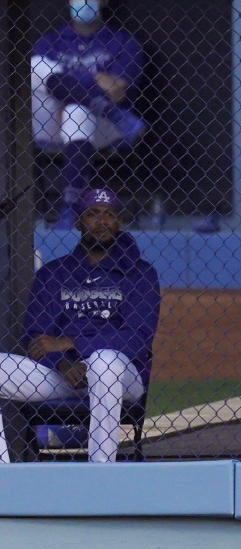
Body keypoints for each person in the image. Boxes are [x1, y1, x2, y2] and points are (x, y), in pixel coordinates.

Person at [0, 188, 160, 463]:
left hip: (121, 376)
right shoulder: (53, 273)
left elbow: (137, 337)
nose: (102, 221)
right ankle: (4, 477)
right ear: (78, 222)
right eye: (93, 214)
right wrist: (63, 363)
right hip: (65, 376)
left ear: (119, 222)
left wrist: (73, 343)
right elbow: (36, 337)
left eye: (110, 214)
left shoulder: (140, 273)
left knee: (102, 361)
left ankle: (99, 475)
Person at [31, 0, 145, 229]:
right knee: (35, 65)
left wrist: (67, 90)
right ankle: (98, 106)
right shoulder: (51, 40)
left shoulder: (123, 42)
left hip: (104, 129)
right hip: (52, 123)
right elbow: (38, 78)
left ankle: (71, 208)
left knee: (77, 111)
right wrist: (95, 82)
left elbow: (116, 90)